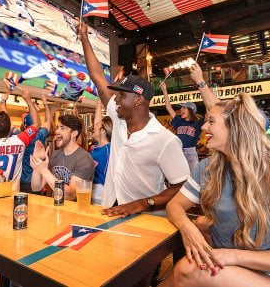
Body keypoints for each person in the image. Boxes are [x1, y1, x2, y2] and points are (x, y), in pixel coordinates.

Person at [159, 93, 270, 287]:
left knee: (187, 271)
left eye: (211, 121)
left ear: (236, 128)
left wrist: (233, 256)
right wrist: (187, 227)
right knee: (197, 232)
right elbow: (175, 204)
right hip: (232, 268)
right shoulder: (207, 168)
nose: (204, 127)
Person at [78, 21, 189, 216]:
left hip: (146, 218)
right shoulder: (119, 119)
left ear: (138, 99)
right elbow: (97, 77)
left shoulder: (165, 140)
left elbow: (182, 187)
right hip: (111, 208)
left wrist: (145, 203)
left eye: (122, 96)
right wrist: (85, 38)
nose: (116, 100)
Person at [30, 114, 94, 200]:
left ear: (74, 133)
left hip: (73, 211)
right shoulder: (55, 155)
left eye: (62, 128)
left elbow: (70, 195)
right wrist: (38, 160)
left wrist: (45, 171)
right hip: (56, 209)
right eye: (57, 127)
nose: (56, 131)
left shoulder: (84, 159)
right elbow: (36, 187)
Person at [159, 81, 203, 171]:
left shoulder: (197, 124)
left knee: (195, 178)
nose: (181, 110)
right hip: (178, 152)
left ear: (191, 110)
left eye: (184, 108)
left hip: (191, 154)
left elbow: (208, 113)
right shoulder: (179, 121)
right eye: (181, 108)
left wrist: (202, 87)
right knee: (180, 178)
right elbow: (168, 107)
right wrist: (164, 90)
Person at [18, 94, 52, 193]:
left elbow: (8, 126)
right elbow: (48, 121)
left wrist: (3, 103)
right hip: (37, 180)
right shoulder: (41, 134)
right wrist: (45, 105)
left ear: (25, 125)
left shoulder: (20, 137)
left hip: (23, 182)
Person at [89, 101, 112, 205]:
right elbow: (97, 123)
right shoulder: (97, 147)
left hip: (102, 195)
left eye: (97, 125)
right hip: (91, 192)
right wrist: (98, 104)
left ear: (103, 131)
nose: (93, 127)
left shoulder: (109, 149)